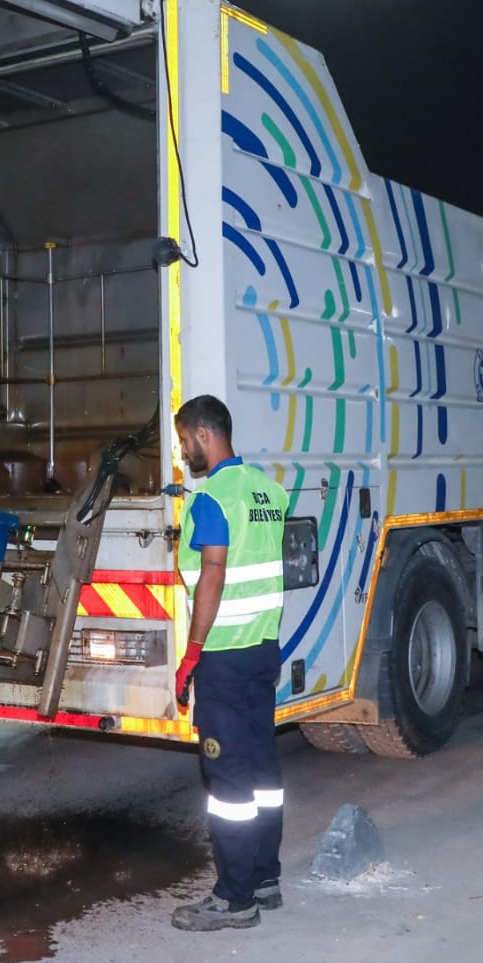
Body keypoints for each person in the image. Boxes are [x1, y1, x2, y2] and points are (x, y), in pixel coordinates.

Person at [169, 394, 286, 931]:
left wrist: (191, 653)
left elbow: (213, 574)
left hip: (225, 657)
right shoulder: (268, 491)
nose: (183, 449)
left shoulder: (213, 499)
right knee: (262, 770)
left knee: (229, 783)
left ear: (203, 434)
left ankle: (234, 899)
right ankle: (265, 877)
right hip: (264, 650)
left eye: (184, 439)